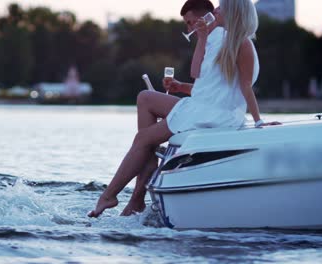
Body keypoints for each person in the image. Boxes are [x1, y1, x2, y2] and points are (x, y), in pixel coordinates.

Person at [88, 0, 279, 218]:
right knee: (145, 98)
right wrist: (201, 42)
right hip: (204, 107)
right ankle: (146, 167)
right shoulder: (217, 39)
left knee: (142, 139)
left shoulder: (242, 44)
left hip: (214, 114)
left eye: (221, 7)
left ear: (234, 14)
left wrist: (258, 122)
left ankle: (112, 194)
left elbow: (244, 87)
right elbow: (199, 75)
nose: (215, 10)